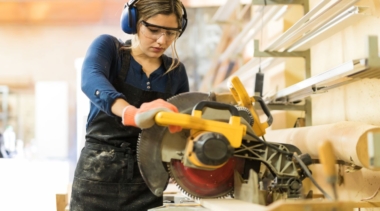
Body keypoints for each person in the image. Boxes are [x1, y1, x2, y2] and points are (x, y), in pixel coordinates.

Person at [70, 0, 189, 210]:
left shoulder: (176, 72)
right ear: (133, 22)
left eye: (171, 33)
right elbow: (91, 79)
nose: (162, 40)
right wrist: (130, 113)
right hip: (97, 176)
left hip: (149, 181)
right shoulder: (110, 49)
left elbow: (180, 129)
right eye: (153, 30)